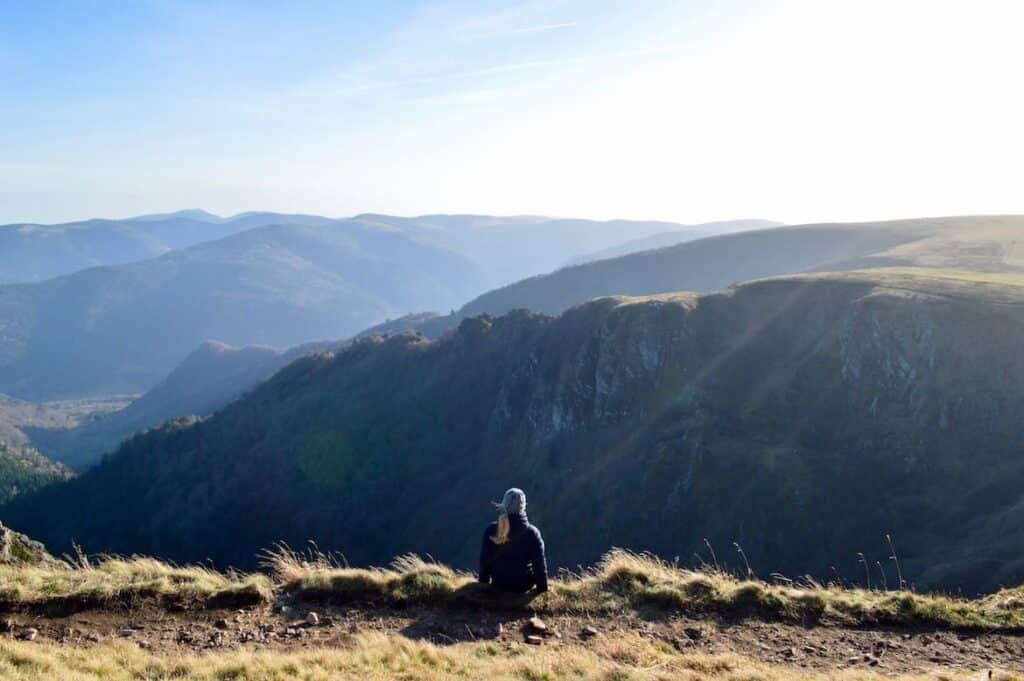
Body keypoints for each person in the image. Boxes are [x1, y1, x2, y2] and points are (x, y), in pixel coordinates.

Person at [478, 488, 548, 593]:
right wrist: (542, 588)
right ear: (523, 506)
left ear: (504, 505)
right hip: (524, 585)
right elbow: (539, 565)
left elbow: (485, 561)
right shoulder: (532, 533)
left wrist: (483, 583)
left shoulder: (491, 530)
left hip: (499, 583)